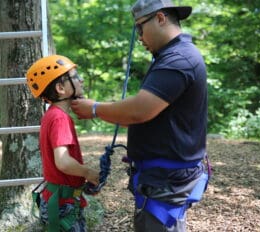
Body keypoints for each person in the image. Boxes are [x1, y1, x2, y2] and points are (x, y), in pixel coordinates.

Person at [71, 0, 208, 231]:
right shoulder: (171, 56)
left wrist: (94, 108)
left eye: (140, 27)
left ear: (161, 19)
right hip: (162, 178)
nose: (139, 36)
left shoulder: (178, 60)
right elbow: (139, 114)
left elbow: (139, 111)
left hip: (166, 180)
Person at [25, 55, 99, 232]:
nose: (80, 79)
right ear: (60, 88)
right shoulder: (59, 118)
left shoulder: (51, 115)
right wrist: (88, 173)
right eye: (74, 77)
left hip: (60, 199)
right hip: (63, 205)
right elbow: (63, 162)